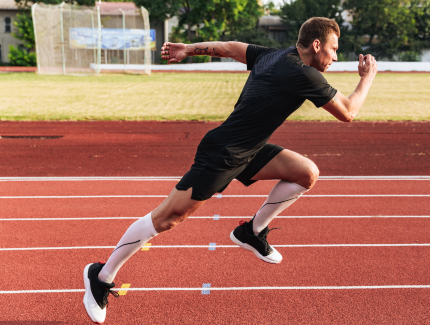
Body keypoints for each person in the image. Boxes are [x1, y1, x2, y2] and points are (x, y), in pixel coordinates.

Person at [83, 17, 377, 324]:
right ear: (316, 45)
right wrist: (368, 76)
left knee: (306, 173)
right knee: (167, 218)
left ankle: (252, 232)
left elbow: (230, 48)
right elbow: (348, 112)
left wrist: (188, 49)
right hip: (223, 154)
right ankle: (100, 276)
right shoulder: (303, 73)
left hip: (249, 150)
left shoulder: (274, 55)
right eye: (333, 50)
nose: (334, 57)